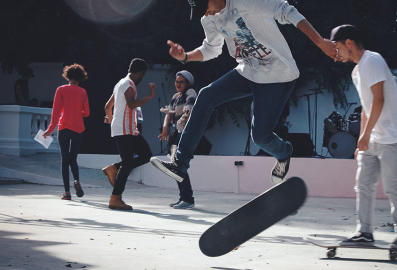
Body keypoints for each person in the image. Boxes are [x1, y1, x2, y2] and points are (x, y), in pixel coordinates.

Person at [150, 0, 337, 186]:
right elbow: (211, 49)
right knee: (206, 95)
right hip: (247, 71)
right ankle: (180, 164)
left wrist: (321, 42)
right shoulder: (208, 20)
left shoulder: (245, 2)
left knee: (261, 137)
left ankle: (283, 153)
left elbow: (286, 11)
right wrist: (185, 57)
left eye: (206, 8)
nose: (206, 14)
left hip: (278, 75)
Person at [331, 24, 397, 249]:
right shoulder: (356, 71)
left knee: (391, 186)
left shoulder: (373, 61)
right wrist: (362, 140)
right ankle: (364, 232)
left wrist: (366, 135)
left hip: (394, 136)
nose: (336, 52)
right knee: (364, 185)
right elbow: (366, 106)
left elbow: (379, 100)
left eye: (338, 46)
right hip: (374, 137)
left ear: (349, 43)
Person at [103, 58, 156, 210]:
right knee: (127, 163)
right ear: (140, 72)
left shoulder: (120, 83)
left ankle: (114, 168)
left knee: (145, 155)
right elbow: (132, 104)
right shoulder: (129, 84)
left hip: (126, 130)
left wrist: (113, 121)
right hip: (125, 130)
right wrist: (149, 97)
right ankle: (115, 198)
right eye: (143, 75)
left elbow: (108, 107)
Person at [43, 64, 90, 200]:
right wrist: (77, 111)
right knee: (73, 158)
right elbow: (86, 113)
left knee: (65, 159)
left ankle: (67, 192)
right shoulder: (82, 92)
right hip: (78, 129)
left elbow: (56, 113)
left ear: (67, 76)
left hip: (64, 128)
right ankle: (76, 180)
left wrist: (49, 130)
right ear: (80, 78)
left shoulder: (61, 90)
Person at [158, 70, 197, 209]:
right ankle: (183, 197)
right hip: (178, 132)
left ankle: (188, 199)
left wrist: (181, 124)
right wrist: (165, 128)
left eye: (181, 82)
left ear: (188, 83)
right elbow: (169, 113)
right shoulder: (176, 97)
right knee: (176, 166)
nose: (178, 84)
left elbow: (189, 110)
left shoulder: (190, 93)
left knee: (179, 165)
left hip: (185, 133)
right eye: (177, 81)